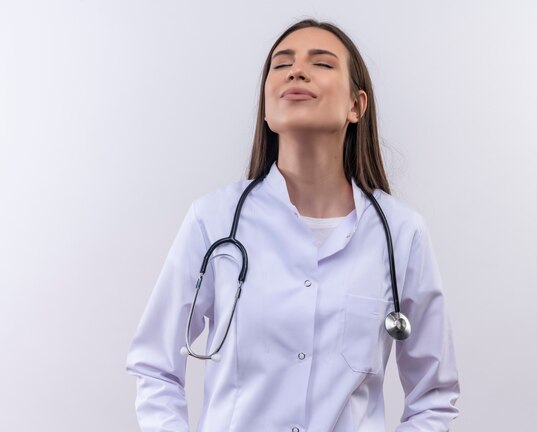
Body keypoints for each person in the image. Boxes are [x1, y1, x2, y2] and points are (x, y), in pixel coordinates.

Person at [126, 18, 460, 432]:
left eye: (321, 63)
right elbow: (156, 366)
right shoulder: (211, 220)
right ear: (267, 108)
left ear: (357, 105)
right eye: (282, 64)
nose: (296, 70)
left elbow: (434, 396)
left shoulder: (402, 233)